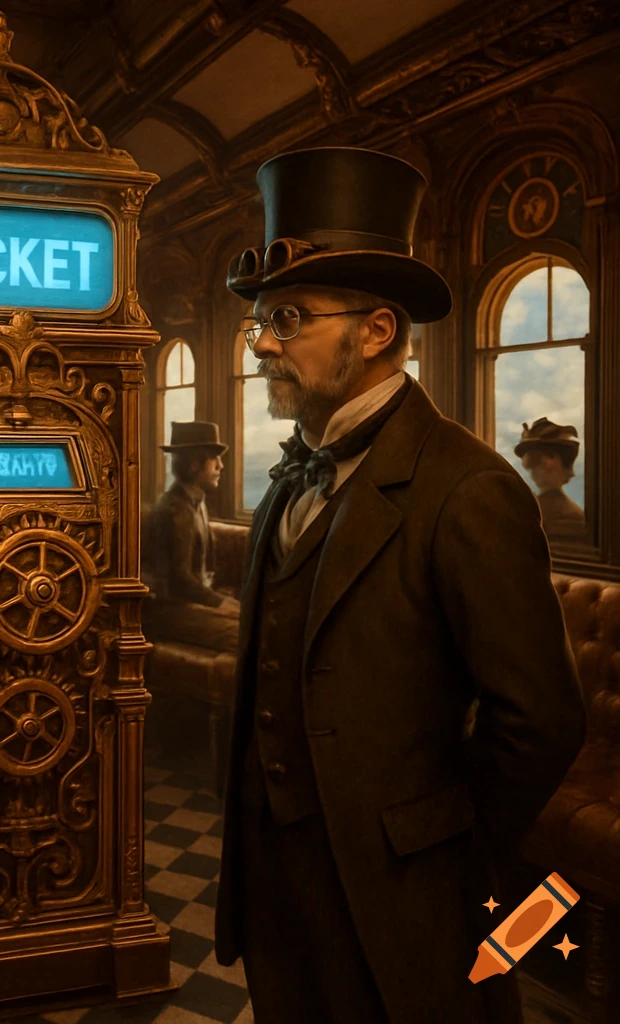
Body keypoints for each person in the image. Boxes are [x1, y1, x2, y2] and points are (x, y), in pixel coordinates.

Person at [214, 147, 585, 1024]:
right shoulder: (291, 473)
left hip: (398, 898)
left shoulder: (472, 490)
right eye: (261, 321)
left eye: (290, 318)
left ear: (376, 332)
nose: (264, 342)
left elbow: (541, 719)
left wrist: (437, 844)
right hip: (276, 882)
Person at [143, 421, 240, 652]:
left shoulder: (196, 501)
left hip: (191, 602)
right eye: (214, 459)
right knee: (243, 634)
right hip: (170, 610)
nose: (221, 466)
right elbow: (179, 581)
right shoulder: (174, 510)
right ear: (195, 464)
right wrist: (220, 603)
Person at [515, 418, 587, 545]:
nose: (534, 472)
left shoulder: (565, 514)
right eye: (531, 465)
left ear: (553, 460)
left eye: (537, 461)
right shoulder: (534, 507)